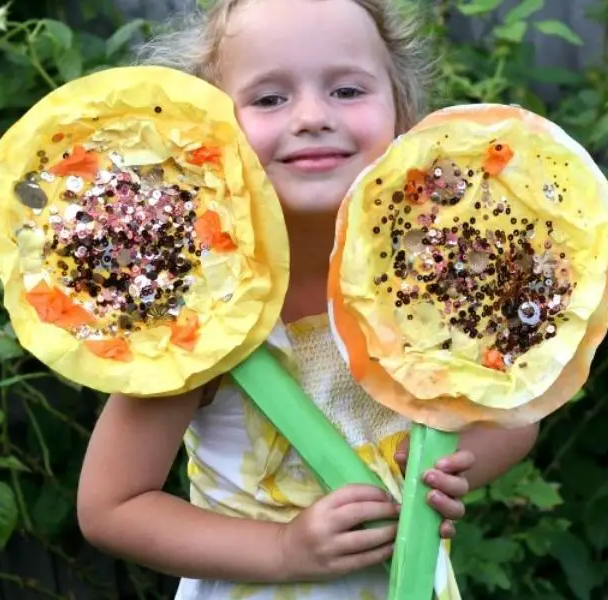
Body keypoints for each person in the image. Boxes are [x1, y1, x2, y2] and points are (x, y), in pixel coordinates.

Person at [76, 0, 539, 598]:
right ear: (207, 131)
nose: (313, 116)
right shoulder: (194, 312)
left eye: (348, 89)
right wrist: (282, 549)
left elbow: (518, 417)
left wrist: (448, 472)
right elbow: (113, 506)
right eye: (269, 99)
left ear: (403, 111)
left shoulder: (438, 280)